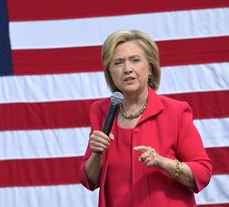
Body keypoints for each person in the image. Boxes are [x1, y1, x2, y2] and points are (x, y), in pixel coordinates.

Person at [78, 30, 212, 206]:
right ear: (109, 72)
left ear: (150, 67)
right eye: (118, 62)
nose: (127, 69)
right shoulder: (101, 111)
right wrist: (96, 154)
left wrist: (164, 163)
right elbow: (89, 180)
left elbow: (202, 173)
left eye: (135, 60)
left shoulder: (176, 112)